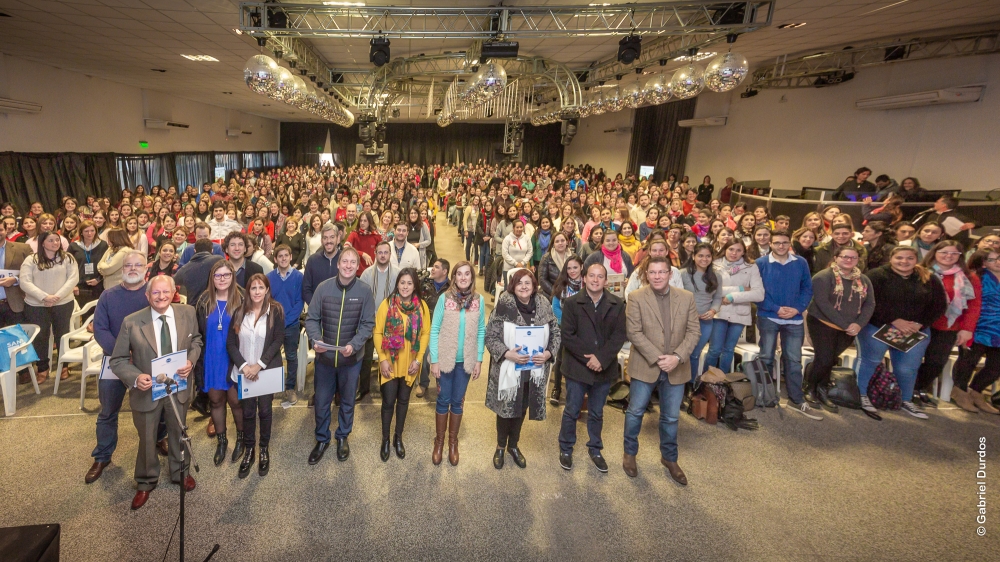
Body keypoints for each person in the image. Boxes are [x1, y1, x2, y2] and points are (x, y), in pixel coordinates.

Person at [85, 251, 165, 485]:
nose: (132, 268)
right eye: (127, 265)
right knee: (108, 411)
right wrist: (122, 355)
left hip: (146, 363)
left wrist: (138, 356)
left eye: (137, 265)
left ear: (145, 268)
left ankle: (161, 438)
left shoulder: (153, 295)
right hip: (113, 361)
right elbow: (100, 329)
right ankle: (102, 456)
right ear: (122, 269)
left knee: (156, 406)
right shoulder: (108, 296)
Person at [622, 257, 700, 483]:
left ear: (670, 274)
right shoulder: (636, 297)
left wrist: (676, 357)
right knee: (635, 412)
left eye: (661, 272)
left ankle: (670, 458)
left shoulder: (686, 298)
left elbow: (694, 332)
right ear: (646, 275)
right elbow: (634, 332)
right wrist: (659, 359)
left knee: (671, 417)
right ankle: (629, 454)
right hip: (646, 365)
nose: (657, 276)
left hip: (677, 367)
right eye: (652, 272)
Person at [856, 246, 947, 419]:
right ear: (891, 258)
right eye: (899, 258)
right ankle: (861, 396)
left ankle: (905, 400)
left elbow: (939, 306)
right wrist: (893, 320)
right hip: (878, 327)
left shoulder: (929, 278)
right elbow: (867, 302)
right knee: (870, 361)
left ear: (916, 260)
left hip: (915, 331)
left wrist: (920, 324)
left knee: (908, 369)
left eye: (909, 258)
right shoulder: (875, 276)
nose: (904, 262)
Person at [305, 248, 377, 464]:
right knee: (322, 401)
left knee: (347, 401)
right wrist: (316, 340)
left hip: (351, 360)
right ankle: (322, 438)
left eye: (352, 262)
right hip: (325, 360)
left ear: (357, 266)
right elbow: (311, 319)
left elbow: (368, 324)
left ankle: (343, 436)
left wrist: (354, 345)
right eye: (344, 261)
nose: (347, 265)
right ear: (338, 264)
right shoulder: (323, 289)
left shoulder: (365, 292)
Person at [485, 269, 560, 470]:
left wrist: (548, 354)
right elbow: (490, 336)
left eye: (528, 283)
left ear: (534, 284)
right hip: (508, 370)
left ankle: (514, 445)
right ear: (512, 286)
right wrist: (507, 353)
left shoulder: (544, 304)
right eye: (519, 283)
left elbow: (555, 332)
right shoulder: (504, 304)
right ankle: (500, 446)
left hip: (533, 370)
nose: (524, 287)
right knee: (505, 410)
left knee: (522, 408)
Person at [557, 263, 627, 472]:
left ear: (606, 281)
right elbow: (568, 335)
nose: (596, 280)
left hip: (603, 370)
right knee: (572, 410)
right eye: (592, 276)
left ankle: (595, 448)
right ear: (584, 278)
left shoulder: (617, 304)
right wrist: (590, 359)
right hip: (578, 367)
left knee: (597, 413)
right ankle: (566, 448)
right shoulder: (571, 303)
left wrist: (601, 359)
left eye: (600, 277)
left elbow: (619, 336)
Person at [754, 230, 819, 419]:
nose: (780, 246)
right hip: (769, 316)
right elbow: (756, 292)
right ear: (771, 244)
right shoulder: (760, 264)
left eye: (784, 243)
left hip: (794, 318)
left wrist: (797, 309)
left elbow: (807, 289)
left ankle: (796, 400)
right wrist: (775, 308)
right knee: (765, 357)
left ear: (790, 243)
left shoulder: (800, 263)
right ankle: (764, 396)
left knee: (793, 360)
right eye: (776, 243)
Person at [803, 246, 875, 412]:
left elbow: (870, 303)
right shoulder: (823, 277)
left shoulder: (864, 280)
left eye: (853, 258)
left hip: (850, 328)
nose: (849, 260)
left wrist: (858, 324)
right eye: (845, 257)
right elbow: (822, 303)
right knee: (824, 359)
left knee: (831, 359)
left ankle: (822, 390)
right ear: (836, 257)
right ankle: (810, 388)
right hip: (823, 324)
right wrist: (845, 325)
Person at [227, 273, 285, 478]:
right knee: (248, 412)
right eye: (253, 288)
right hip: (244, 373)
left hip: (264, 371)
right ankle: (250, 450)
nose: (257, 292)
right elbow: (231, 344)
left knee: (265, 411)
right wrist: (244, 367)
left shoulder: (275, 310)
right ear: (248, 291)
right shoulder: (239, 312)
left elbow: (278, 340)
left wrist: (259, 366)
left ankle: (264, 449)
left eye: (261, 287)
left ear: (267, 290)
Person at [428, 261, 485, 466]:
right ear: (454, 277)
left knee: (458, 401)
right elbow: (434, 330)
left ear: (472, 277)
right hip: (444, 360)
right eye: (459, 274)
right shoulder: (445, 299)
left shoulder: (478, 300)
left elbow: (481, 331)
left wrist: (479, 359)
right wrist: (434, 360)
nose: (463, 277)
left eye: (467, 274)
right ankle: (439, 441)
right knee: (443, 399)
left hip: (466, 361)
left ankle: (453, 442)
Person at [912, 241, 981, 407]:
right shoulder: (920, 271)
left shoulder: (969, 277)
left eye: (954, 253)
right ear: (934, 253)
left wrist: (967, 329)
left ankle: (916, 388)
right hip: (920, 324)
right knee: (910, 361)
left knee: (936, 362)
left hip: (949, 327)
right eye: (944, 252)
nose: (948, 256)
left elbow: (974, 305)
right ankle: (906, 390)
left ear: (960, 256)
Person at [371, 268, 430, 462]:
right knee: (388, 403)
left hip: (410, 365)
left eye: (409, 283)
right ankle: (385, 439)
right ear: (397, 284)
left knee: (404, 401)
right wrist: (383, 359)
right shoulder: (386, 305)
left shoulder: (421, 306)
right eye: (402, 282)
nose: (405, 287)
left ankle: (398, 437)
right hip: (390, 363)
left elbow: (425, 334)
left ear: (415, 286)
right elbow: (378, 332)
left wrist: (419, 359)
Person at [196, 260, 244, 466]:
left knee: (236, 401)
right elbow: (197, 332)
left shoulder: (242, 299)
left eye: (226, 275)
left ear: (232, 277)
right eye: (218, 275)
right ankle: (222, 441)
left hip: (234, 359)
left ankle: (242, 439)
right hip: (212, 359)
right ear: (212, 278)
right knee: (216, 401)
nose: (222, 279)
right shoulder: (204, 301)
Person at [20, 231, 79, 384]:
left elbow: (73, 279)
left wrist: (56, 296)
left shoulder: (68, 258)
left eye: (57, 240)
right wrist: (44, 297)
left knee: (62, 334)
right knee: (41, 337)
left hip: (63, 303)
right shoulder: (31, 260)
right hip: (36, 305)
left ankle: (63, 366)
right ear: (42, 243)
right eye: (51, 240)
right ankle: (42, 368)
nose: (55, 243)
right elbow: (25, 282)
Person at [950, 249, 1000, 414]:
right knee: (969, 361)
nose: (998, 262)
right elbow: (967, 302)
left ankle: (977, 392)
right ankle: (960, 391)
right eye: (993, 260)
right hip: (978, 324)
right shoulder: (976, 277)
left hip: (998, 328)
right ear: (984, 263)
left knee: (996, 366)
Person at [703, 239, 764, 372]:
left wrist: (732, 297)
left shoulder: (751, 266)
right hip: (719, 311)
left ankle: (723, 383)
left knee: (729, 350)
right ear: (725, 249)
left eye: (738, 250)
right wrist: (741, 288)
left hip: (740, 313)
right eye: (731, 249)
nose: (734, 253)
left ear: (743, 252)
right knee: (715, 349)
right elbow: (710, 289)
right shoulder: (713, 265)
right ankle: (705, 383)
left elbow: (759, 294)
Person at [357, 241, 400, 401]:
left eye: (386, 252)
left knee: (389, 357)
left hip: (391, 322)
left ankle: (387, 389)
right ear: (375, 254)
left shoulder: (397, 274)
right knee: (365, 358)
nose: (382, 255)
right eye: (380, 252)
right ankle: (364, 389)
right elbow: (361, 298)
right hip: (370, 321)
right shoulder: (367, 274)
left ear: (390, 255)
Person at [267, 244, 304, 404]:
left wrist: (286, 322)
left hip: (291, 325)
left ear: (290, 257)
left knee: (291, 357)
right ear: (275, 259)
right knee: (271, 357)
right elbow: (266, 301)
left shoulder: (298, 277)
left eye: (286, 255)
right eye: (280, 256)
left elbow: (299, 302)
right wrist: (276, 323)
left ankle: (290, 388)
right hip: (272, 325)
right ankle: (270, 387)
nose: (283, 258)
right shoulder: (268, 277)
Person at [681, 243, 723, 384]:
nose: (704, 259)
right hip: (685, 321)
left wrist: (713, 310)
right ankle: (678, 385)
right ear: (693, 257)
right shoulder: (683, 274)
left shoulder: (716, 276)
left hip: (705, 321)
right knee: (682, 354)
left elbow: (717, 298)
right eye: (700, 255)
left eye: (707, 256)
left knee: (694, 354)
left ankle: (691, 386)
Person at [416, 258, 451, 398]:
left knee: (441, 355)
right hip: (425, 325)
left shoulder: (451, 288)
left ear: (445, 271)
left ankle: (440, 382)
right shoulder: (424, 283)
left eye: (436, 267)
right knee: (424, 353)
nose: (433, 269)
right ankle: (423, 383)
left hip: (444, 327)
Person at [68, 220, 108, 307]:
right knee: (83, 313)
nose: (89, 233)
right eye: (86, 231)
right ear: (81, 232)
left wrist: (98, 279)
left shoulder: (103, 245)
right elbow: (68, 266)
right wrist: (73, 285)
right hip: (80, 286)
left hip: (98, 284)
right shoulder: (74, 246)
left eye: (92, 230)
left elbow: (107, 264)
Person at [0, 220, 32, 328]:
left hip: (14, 304)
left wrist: (15, 279)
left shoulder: (22, 248)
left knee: (18, 342)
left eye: (0, 230)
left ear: (6, 231)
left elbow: (35, 271)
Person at [302, 223, 342, 304]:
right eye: (325, 238)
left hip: (340, 311)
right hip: (317, 312)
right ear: (321, 241)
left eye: (332, 237)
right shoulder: (312, 260)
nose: (328, 241)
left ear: (338, 239)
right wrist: (315, 307)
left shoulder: (345, 260)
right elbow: (306, 289)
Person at [345, 211, 381, 275]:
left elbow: (381, 250)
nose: (362, 223)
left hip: (371, 271)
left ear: (370, 222)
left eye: (365, 221)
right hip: (355, 271)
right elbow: (346, 247)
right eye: (361, 221)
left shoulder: (376, 235)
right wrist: (362, 254)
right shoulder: (354, 234)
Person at [537, 232, 572, 298]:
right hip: (550, 294)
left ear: (567, 242)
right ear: (553, 244)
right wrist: (557, 293)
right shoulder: (546, 258)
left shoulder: (573, 257)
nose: (560, 243)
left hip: (570, 294)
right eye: (557, 241)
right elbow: (542, 280)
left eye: (562, 240)